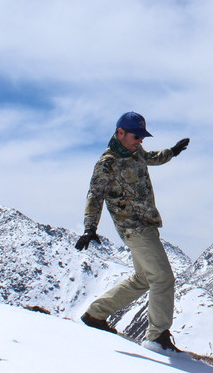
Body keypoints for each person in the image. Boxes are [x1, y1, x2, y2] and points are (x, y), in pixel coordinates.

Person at [74, 111, 190, 353]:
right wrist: (89, 228)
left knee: (143, 278)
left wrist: (173, 151)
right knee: (162, 278)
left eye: (142, 136)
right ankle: (157, 336)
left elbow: (151, 158)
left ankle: (96, 314)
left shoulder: (135, 152)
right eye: (136, 136)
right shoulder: (107, 163)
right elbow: (95, 195)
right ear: (120, 133)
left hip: (146, 223)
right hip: (133, 228)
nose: (140, 141)